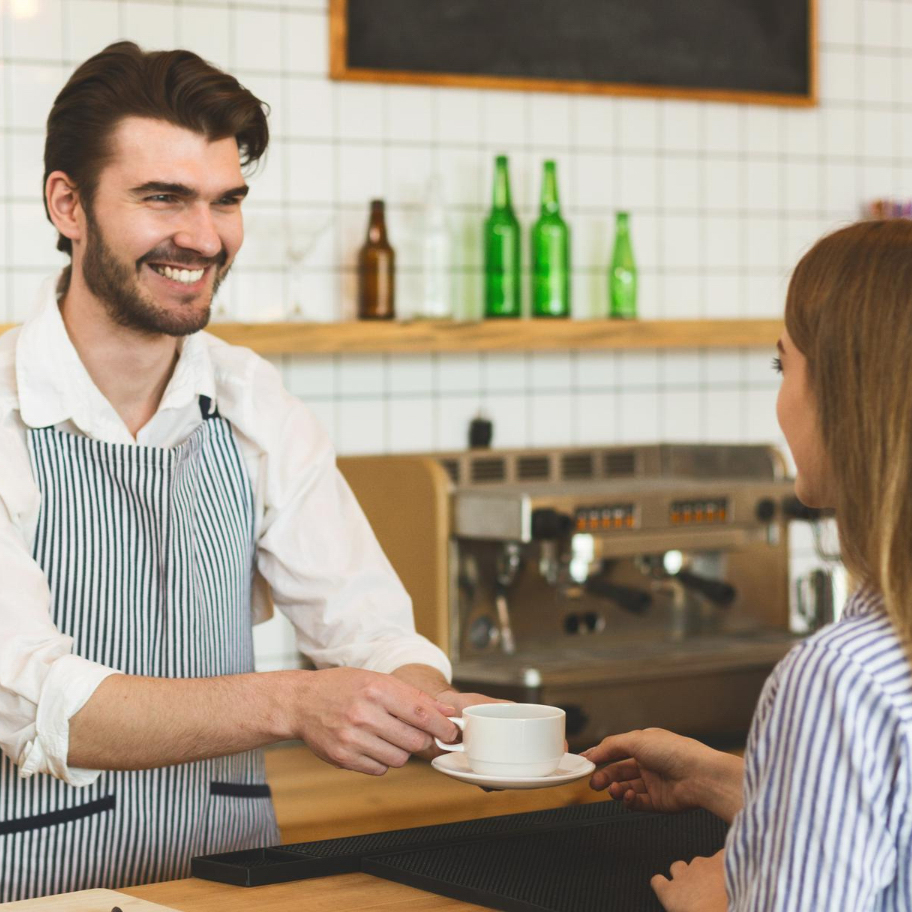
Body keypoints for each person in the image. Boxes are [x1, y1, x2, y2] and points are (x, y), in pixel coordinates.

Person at [0, 42, 494, 901]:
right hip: (36, 889)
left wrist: (422, 705)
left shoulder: (251, 399)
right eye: (165, 199)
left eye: (226, 201)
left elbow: (371, 631)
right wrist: (295, 705)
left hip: (225, 884)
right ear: (67, 203)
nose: (204, 237)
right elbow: (37, 699)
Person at [583, 218, 912, 911]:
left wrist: (719, 903)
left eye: (782, 365)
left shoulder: (839, 679)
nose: (780, 399)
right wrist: (729, 780)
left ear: (846, 394)